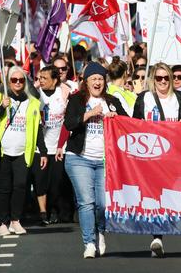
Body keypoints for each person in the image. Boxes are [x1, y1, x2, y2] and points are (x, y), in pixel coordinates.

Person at [63, 62, 128, 258]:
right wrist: (89, 114)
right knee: (86, 202)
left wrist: (116, 117)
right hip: (79, 158)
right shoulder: (77, 100)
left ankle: (100, 232)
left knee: (102, 204)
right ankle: (89, 243)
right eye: (94, 79)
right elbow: (69, 124)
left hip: (105, 161)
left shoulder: (113, 100)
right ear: (86, 82)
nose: (98, 83)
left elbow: (127, 124)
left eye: (100, 78)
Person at [132, 62, 181, 257]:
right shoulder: (144, 99)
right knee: (155, 195)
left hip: (174, 157)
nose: (164, 81)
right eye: (159, 78)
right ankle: (157, 237)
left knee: (169, 196)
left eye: (167, 77)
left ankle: (167, 227)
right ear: (153, 79)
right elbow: (134, 126)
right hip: (151, 156)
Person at [0, 66, 48, 236]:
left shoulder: (33, 101)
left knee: (20, 186)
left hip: (22, 151)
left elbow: (38, 129)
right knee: (4, 188)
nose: (18, 83)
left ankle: (15, 221)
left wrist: (43, 151)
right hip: (3, 150)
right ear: (8, 82)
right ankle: (1, 222)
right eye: (14, 80)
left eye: (21, 80)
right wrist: (1, 107)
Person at [36, 65, 74, 225]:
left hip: (60, 146)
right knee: (40, 181)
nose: (41, 81)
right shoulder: (36, 94)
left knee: (56, 182)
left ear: (55, 80)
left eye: (45, 78)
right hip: (40, 146)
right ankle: (43, 213)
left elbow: (69, 118)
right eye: (40, 78)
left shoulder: (64, 92)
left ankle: (55, 209)